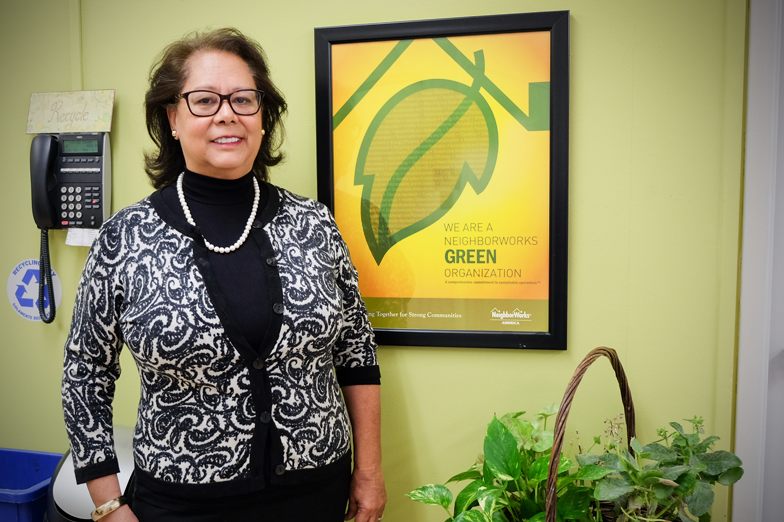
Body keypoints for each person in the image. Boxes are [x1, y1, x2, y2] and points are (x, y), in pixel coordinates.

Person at [61, 27, 386, 522]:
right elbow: (85, 373)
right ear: (172, 118)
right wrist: (108, 504)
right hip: (178, 504)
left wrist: (369, 472)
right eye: (205, 101)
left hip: (315, 494)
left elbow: (357, 354)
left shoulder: (314, 225)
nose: (227, 113)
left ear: (263, 116)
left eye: (243, 99)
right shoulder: (124, 238)